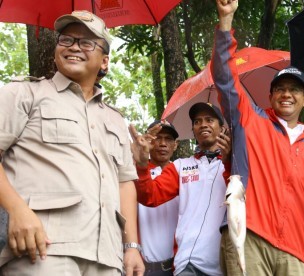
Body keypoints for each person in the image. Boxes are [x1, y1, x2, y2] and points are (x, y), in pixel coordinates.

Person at [212, 1, 304, 275]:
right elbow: (224, 78)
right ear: (270, 97)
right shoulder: (250, 120)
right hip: (249, 236)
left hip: (296, 252)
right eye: (279, 89)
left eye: (294, 89)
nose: (286, 94)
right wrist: (225, 21)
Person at [0, 10, 144, 276]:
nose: (74, 47)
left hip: (107, 256)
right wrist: (16, 210)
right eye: (66, 40)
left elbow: (125, 184)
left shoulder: (114, 119)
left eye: (87, 42)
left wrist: (131, 246)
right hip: (44, 247)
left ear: (104, 62)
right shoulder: (24, 94)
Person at [130, 103, 231, 276]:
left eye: (209, 120)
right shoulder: (180, 166)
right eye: (197, 121)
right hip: (187, 264)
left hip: (224, 263)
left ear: (222, 128)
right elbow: (150, 196)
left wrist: (229, 162)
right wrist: (141, 165)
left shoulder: (236, 163)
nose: (203, 124)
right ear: (193, 131)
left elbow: (246, 195)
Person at [137, 120, 180, 276]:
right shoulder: (134, 172)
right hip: (143, 267)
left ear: (175, 145)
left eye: (168, 139)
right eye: (157, 138)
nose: (162, 143)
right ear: (148, 141)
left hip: (178, 266)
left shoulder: (183, 174)